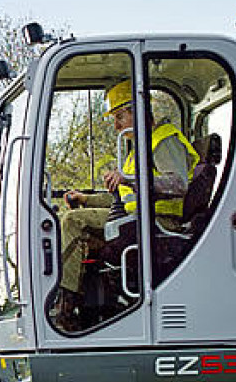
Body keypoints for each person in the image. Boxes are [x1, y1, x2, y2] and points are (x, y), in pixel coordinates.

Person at [53, 80, 200, 331]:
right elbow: (124, 200)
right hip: (137, 216)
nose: (116, 125)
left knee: (73, 223)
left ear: (139, 111)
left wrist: (129, 178)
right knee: (73, 221)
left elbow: (178, 184)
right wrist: (86, 199)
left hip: (159, 221)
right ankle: (95, 308)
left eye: (120, 116)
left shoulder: (164, 140)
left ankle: (65, 309)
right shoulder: (137, 150)